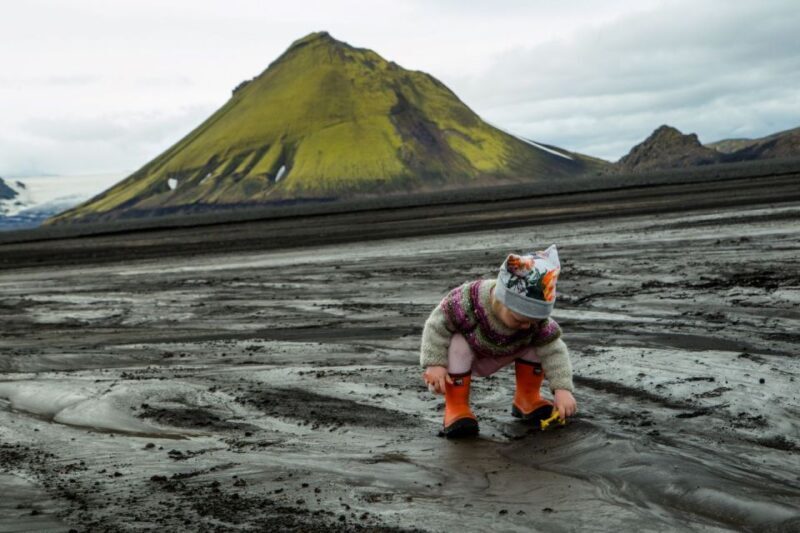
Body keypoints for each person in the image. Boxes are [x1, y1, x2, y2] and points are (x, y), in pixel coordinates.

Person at [420, 245, 577, 437]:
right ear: (501, 300)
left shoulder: (535, 323)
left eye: (532, 321)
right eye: (520, 320)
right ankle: (457, 408)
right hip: (470, 356)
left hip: (508, 351)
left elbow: (554, 350)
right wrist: (435, 364)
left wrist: (562, 389)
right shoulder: (467, 301)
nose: (527, 326)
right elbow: (436, 326)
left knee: (543, 341)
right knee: (457, 342)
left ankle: (527, 398)